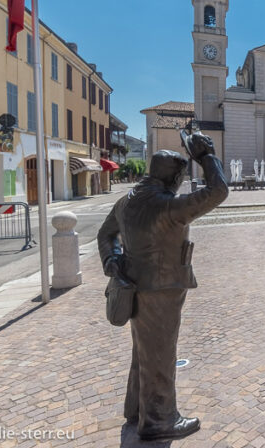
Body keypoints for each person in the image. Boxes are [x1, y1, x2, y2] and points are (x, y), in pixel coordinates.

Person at [97, 133, 229, 441]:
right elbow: (218, 190)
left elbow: (106, 235)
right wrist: (207, 156)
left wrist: (112, 262)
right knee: (160, 352)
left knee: (143, 349)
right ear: (174, 176)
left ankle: (136, 408)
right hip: (162, 287)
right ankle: (159, 420)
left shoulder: (128, 202)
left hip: (134, 284)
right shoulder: (168, 207)